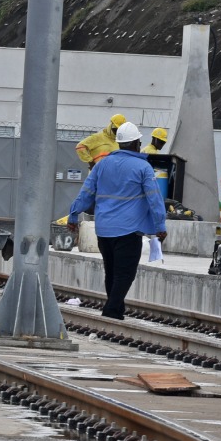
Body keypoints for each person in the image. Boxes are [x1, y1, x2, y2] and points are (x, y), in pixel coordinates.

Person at [67, 122, 167, 320]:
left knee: (111, 271)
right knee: (125, 273)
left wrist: (73, 214)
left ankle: (117, 309)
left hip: (104, 229)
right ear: (136, 143)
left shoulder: (101, 165)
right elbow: (154, 198)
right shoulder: (143, 167)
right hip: (129, 230)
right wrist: (160, 226)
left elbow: (86, 192)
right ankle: (111, 310)